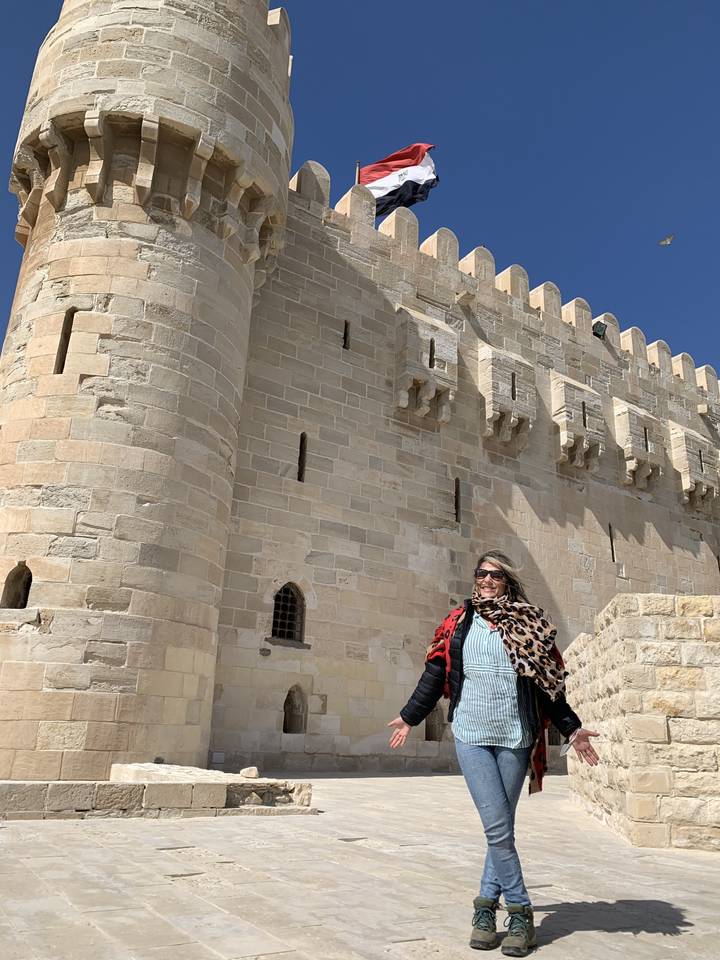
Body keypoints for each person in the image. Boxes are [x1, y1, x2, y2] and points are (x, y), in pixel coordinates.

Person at [387, 551, 599, 957]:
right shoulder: (458, 623)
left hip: (515, 737)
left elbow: (548, 686)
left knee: (499, 827)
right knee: (497, 828)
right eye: (481, 573)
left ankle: (485, 908)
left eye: (495, 575)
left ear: (507, 582)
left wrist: (572, 728)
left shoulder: (530, 624)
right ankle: (520, 911)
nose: (486, 580)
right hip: (471, 735)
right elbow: (435, 673)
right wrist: (410, 716)